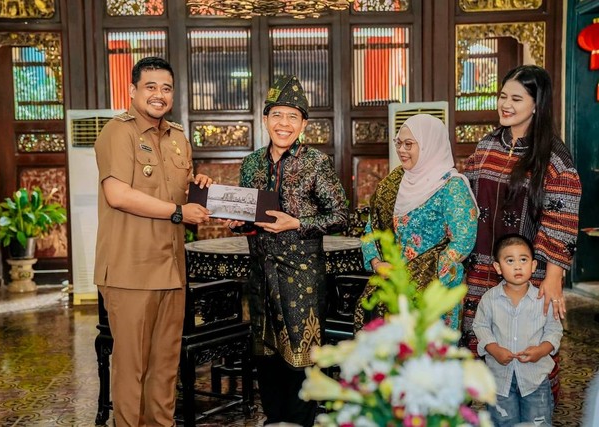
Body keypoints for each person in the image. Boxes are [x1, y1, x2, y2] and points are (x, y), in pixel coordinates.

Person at [94, 56, 213, 427]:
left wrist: (201, 187)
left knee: (164, 371)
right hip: (130, 271)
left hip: (171, 270)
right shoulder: (118, 132)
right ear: (132, 91)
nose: (159, 95)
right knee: (132, 371)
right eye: (150, 87)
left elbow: (181, 190)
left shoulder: (178, 137)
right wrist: (179, 212)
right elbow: (118, 194)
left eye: (166, 88)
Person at [228, 75, 349, 427]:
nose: (284, 124)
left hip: (301, 277)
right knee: (265, 352)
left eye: (292, 117)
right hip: (260, 273)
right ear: (265, 119)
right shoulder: (251, 164)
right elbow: (250, 213)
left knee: (300, 354)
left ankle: (298, 421)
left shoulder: (316, 162)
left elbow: (341, 215)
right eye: (277, 115)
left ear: (304, 124)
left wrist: (296, 223)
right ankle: (274, 418)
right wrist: (239, 222)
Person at [461, 65, 581, 402]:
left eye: (516, 98)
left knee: (526, 355)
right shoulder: (486, 145)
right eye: (502, 96)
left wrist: (554, 276)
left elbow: (562, 218)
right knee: (481, 345)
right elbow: (463, 195)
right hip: (480, 270)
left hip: (526, 275)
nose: (505, 104)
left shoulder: (555, 158)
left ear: (537, 104)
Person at [354, 114, 479, 329]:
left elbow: (463, 238)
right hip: (391, 285)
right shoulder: (392, 183)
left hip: (433, 292)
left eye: (409, 144)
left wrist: (429, 272)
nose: (401, 150)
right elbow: (371, 228)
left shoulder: (451, 186)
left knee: (429, 354)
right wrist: (377, 263)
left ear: (430, 145)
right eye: (399, 143)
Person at [473, 233, 562, 426]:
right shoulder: (490, 299)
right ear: (498, 267)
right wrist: (493, 348)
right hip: (499, 381)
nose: (517, 266)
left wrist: (542, 350)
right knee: (502, 422)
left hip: (535, 380)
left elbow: (554, 330)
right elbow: (480, 326)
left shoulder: (542, 299)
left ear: (533, 265)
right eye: (510, 260)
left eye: (523, 259)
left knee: (537, 423)